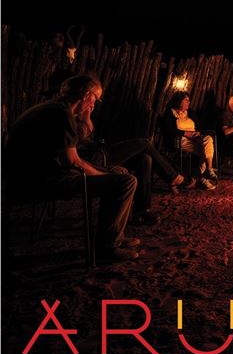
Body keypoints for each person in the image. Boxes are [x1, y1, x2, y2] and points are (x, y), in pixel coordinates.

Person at [5, 74, 139, 263]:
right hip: (40, 180)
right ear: (86, 95)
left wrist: (106, 172)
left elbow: (72, 154)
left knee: (119, 172)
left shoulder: (54, 108)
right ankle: (107, 248)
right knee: (126, 182)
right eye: (96, 98)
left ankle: (115, 234)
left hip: (31, 174)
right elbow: (72, 162)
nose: (95, 104)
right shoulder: (62, 114)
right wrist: (101, 174)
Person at [76, 106, 186, 223]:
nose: (94, 103)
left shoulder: (84, 112)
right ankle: (173, 177)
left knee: (145, 159)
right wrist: (86, 115)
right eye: (95, 98)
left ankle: (142, 211)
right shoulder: (72, 115)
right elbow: (81, 140)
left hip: (100, 151)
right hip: (95, 158)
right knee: (144, 143)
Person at [161, 91, 218, 190]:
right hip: (179, 139)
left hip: (194, 137)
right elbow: (168, 129)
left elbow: (199, 126)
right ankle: (199, 178)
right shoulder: (170, 113)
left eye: (189, 100)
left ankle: (208, 169)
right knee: (205, 151)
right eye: (186, 100)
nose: (189, 102)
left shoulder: (190, 112)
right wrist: (184, 133)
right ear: (179, 101)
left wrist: (198, 133)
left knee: (208, 139)